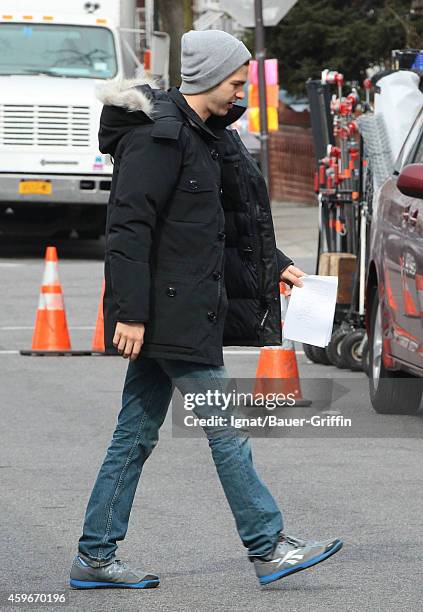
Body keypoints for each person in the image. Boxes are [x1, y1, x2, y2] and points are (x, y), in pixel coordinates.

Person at [70, 30, 342, 590]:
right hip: (168, 312)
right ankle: (268, 547)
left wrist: (278, 265)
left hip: (185, 307)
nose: (241, 94)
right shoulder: (158, 138)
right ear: (210, 79)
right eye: (237, 83)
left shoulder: (205, 134)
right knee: (227, 429)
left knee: (134, 435)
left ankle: (94, 558)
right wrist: (130, 313)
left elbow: (221, 224)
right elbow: (127, 228)